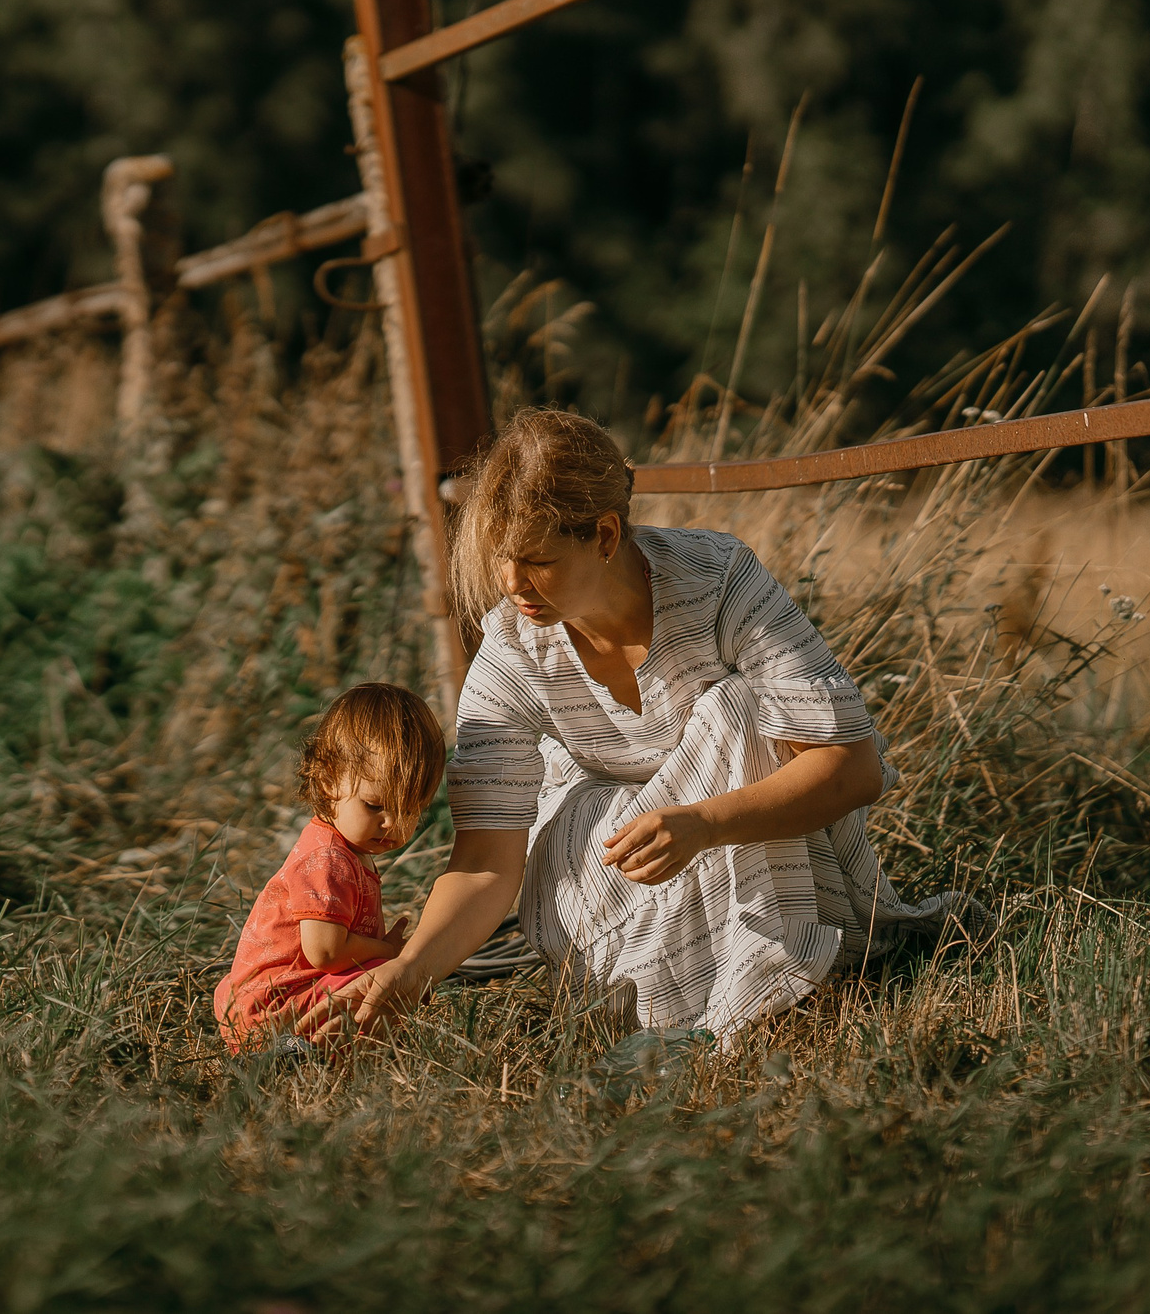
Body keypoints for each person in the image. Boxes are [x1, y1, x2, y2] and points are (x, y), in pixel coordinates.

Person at [309, 409, 975, 1042]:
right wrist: (413, 969)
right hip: (610, 871)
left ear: (603, 536)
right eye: (499, 558)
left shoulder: (718, 579)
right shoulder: (512, 648)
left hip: (739, 837)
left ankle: (754, 997)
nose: (512, 582)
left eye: (537, 559)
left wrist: (704, 823)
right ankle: (688, 1015)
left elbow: (852, 767)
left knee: (737, 711)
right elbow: (485, 860)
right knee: (578, 801)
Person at [213, 682, 447, 1052]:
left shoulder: (348, 850)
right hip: (277, 1005)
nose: (392, 823)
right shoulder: (328, 858)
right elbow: (324, 952)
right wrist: (388, 954)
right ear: (327, 780)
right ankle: (300, 1053)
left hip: (276, 996)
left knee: (383, 985)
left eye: (410, 810)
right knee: (380, 987)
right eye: (375, 806)